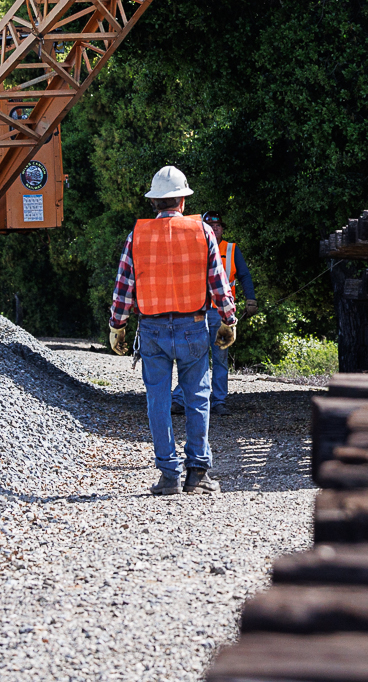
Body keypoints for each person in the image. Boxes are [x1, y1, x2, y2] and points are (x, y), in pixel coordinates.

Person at [107, 165, 237, 496]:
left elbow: (124, 286)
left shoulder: (137, 236)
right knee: (197, 398)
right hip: (193, 326)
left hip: (152, 329)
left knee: (158, 400)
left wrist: (117, 325)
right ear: (182, 200)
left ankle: (169, 475)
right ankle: (197, 473)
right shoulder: (202, 232)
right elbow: (218, 282)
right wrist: (228, 319)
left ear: (154, 202)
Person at [172, 212, 255, 416]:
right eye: (210, 225)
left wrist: (251, 299)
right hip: (196, 311)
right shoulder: (192, 247)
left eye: (217, 225)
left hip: (220, 312)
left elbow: (244, 275)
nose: (214, 228)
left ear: (222, 228)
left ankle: (219, 401)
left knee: (220, 358)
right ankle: (180, 399)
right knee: (192, 356)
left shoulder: (232, 249)